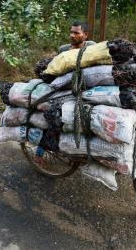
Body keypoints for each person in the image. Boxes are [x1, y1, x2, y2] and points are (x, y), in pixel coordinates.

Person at [35, 21, 96, 165]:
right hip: (65, 89)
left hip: (86, 88)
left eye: (76, 33)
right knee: (53, 115)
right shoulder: (63, 50)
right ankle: (39, 152)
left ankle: (78, 151)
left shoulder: (92, 47)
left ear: (85, 35)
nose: (72, 35)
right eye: (71, 32)